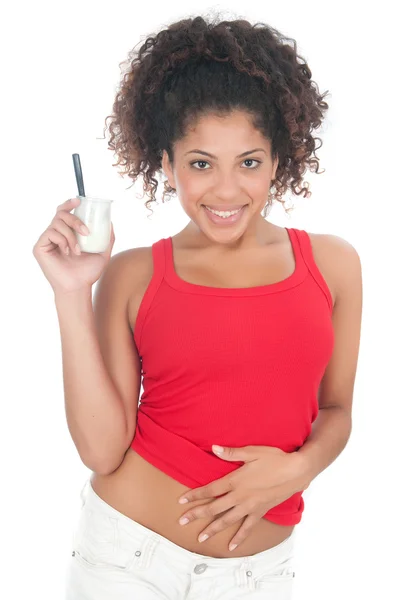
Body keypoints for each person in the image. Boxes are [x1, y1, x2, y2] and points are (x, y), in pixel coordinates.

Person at [32, 12, 362, 600]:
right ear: (167, 164)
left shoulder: (333, 266)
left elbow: (336, 412)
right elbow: (102, 449)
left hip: (260, 575)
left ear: (278, 160)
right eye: (201, 164)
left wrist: (301, 467)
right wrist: (71, 291)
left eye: (250, 163)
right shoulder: (133, 274)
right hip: (126, 561)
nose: (227, 191)